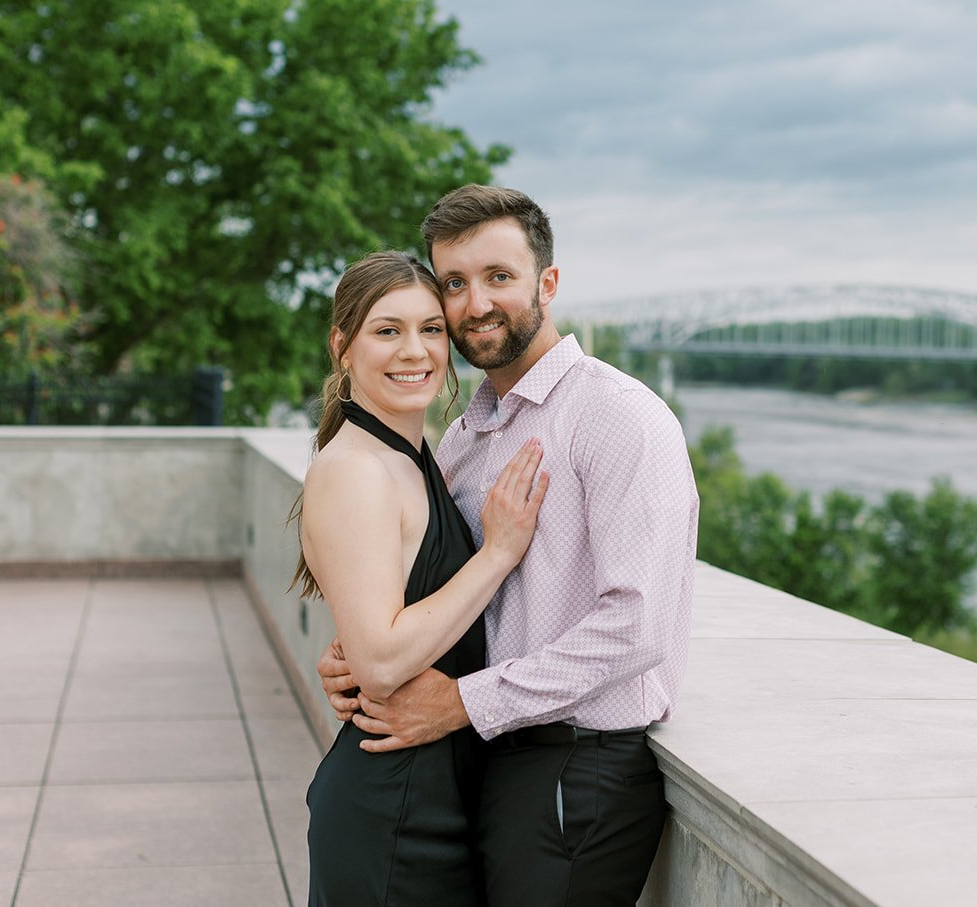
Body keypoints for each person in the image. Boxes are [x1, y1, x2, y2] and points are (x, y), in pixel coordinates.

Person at [317, 186, 699, 906]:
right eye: (455, 284)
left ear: (547, 283)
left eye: (499, 276)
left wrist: (463, 700)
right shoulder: (465, 437)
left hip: (577, 768)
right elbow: (439, 593)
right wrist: (360, 656)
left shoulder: (618, 417)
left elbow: (636, 625)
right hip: (484, 763)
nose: (476, 303)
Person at [294, 250, 549, 906]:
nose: (416, 350)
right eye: (388, 330)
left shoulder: (409, 456)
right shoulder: (357, 469)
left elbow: (384, 621)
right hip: (394, 813)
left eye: (432, 328)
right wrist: (497, 554)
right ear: (341, 345)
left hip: (433, 794)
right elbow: (379, 664)